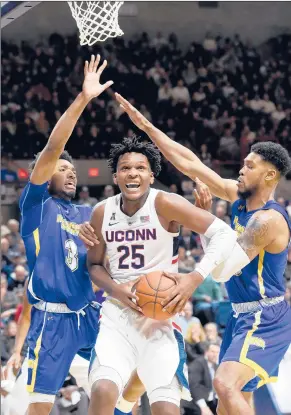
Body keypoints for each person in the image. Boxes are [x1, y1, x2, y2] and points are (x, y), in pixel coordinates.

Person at [115, 93, 291, 415]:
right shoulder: (238, 198)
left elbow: (221, 271)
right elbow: (190, 163)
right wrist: (147, 128)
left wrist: (205, 227)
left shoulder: (267, 221)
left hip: (265, 317)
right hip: (241, 314)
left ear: (269, 176)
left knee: (224, 385)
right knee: (229, 400)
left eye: (249, 166)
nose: (241, 169)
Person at [86, 136, 241, 415]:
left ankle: (126, 405)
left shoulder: (166, 203)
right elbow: (95, 265)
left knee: (166, 410)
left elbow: (224, 233)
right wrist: (117, 289)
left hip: (162, 317)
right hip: (117, 316)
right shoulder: (101, 212)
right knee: (102, 391)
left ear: (151, 175)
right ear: (116, 175)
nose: (132, 173)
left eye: (140, 168)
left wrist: (194, 278)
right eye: (125, 168)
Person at [17, 55, 113, 415]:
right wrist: (83, 99)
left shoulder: (91, 213)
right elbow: (52, 148)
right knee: (41, 405)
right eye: (63, 168)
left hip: (91, 313)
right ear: (44, 173)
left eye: (74, 170)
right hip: (52, 318)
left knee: (116, 391)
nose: (71, 174)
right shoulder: (35, 206)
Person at [187, 342, 220, 415]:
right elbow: (194, 386)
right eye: (212, 352)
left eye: (217, 352)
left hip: (212, 400)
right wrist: (203, 407)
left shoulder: (215, 366)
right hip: (196, 402)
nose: (215, 355)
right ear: (206, 352)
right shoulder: (198, 363)